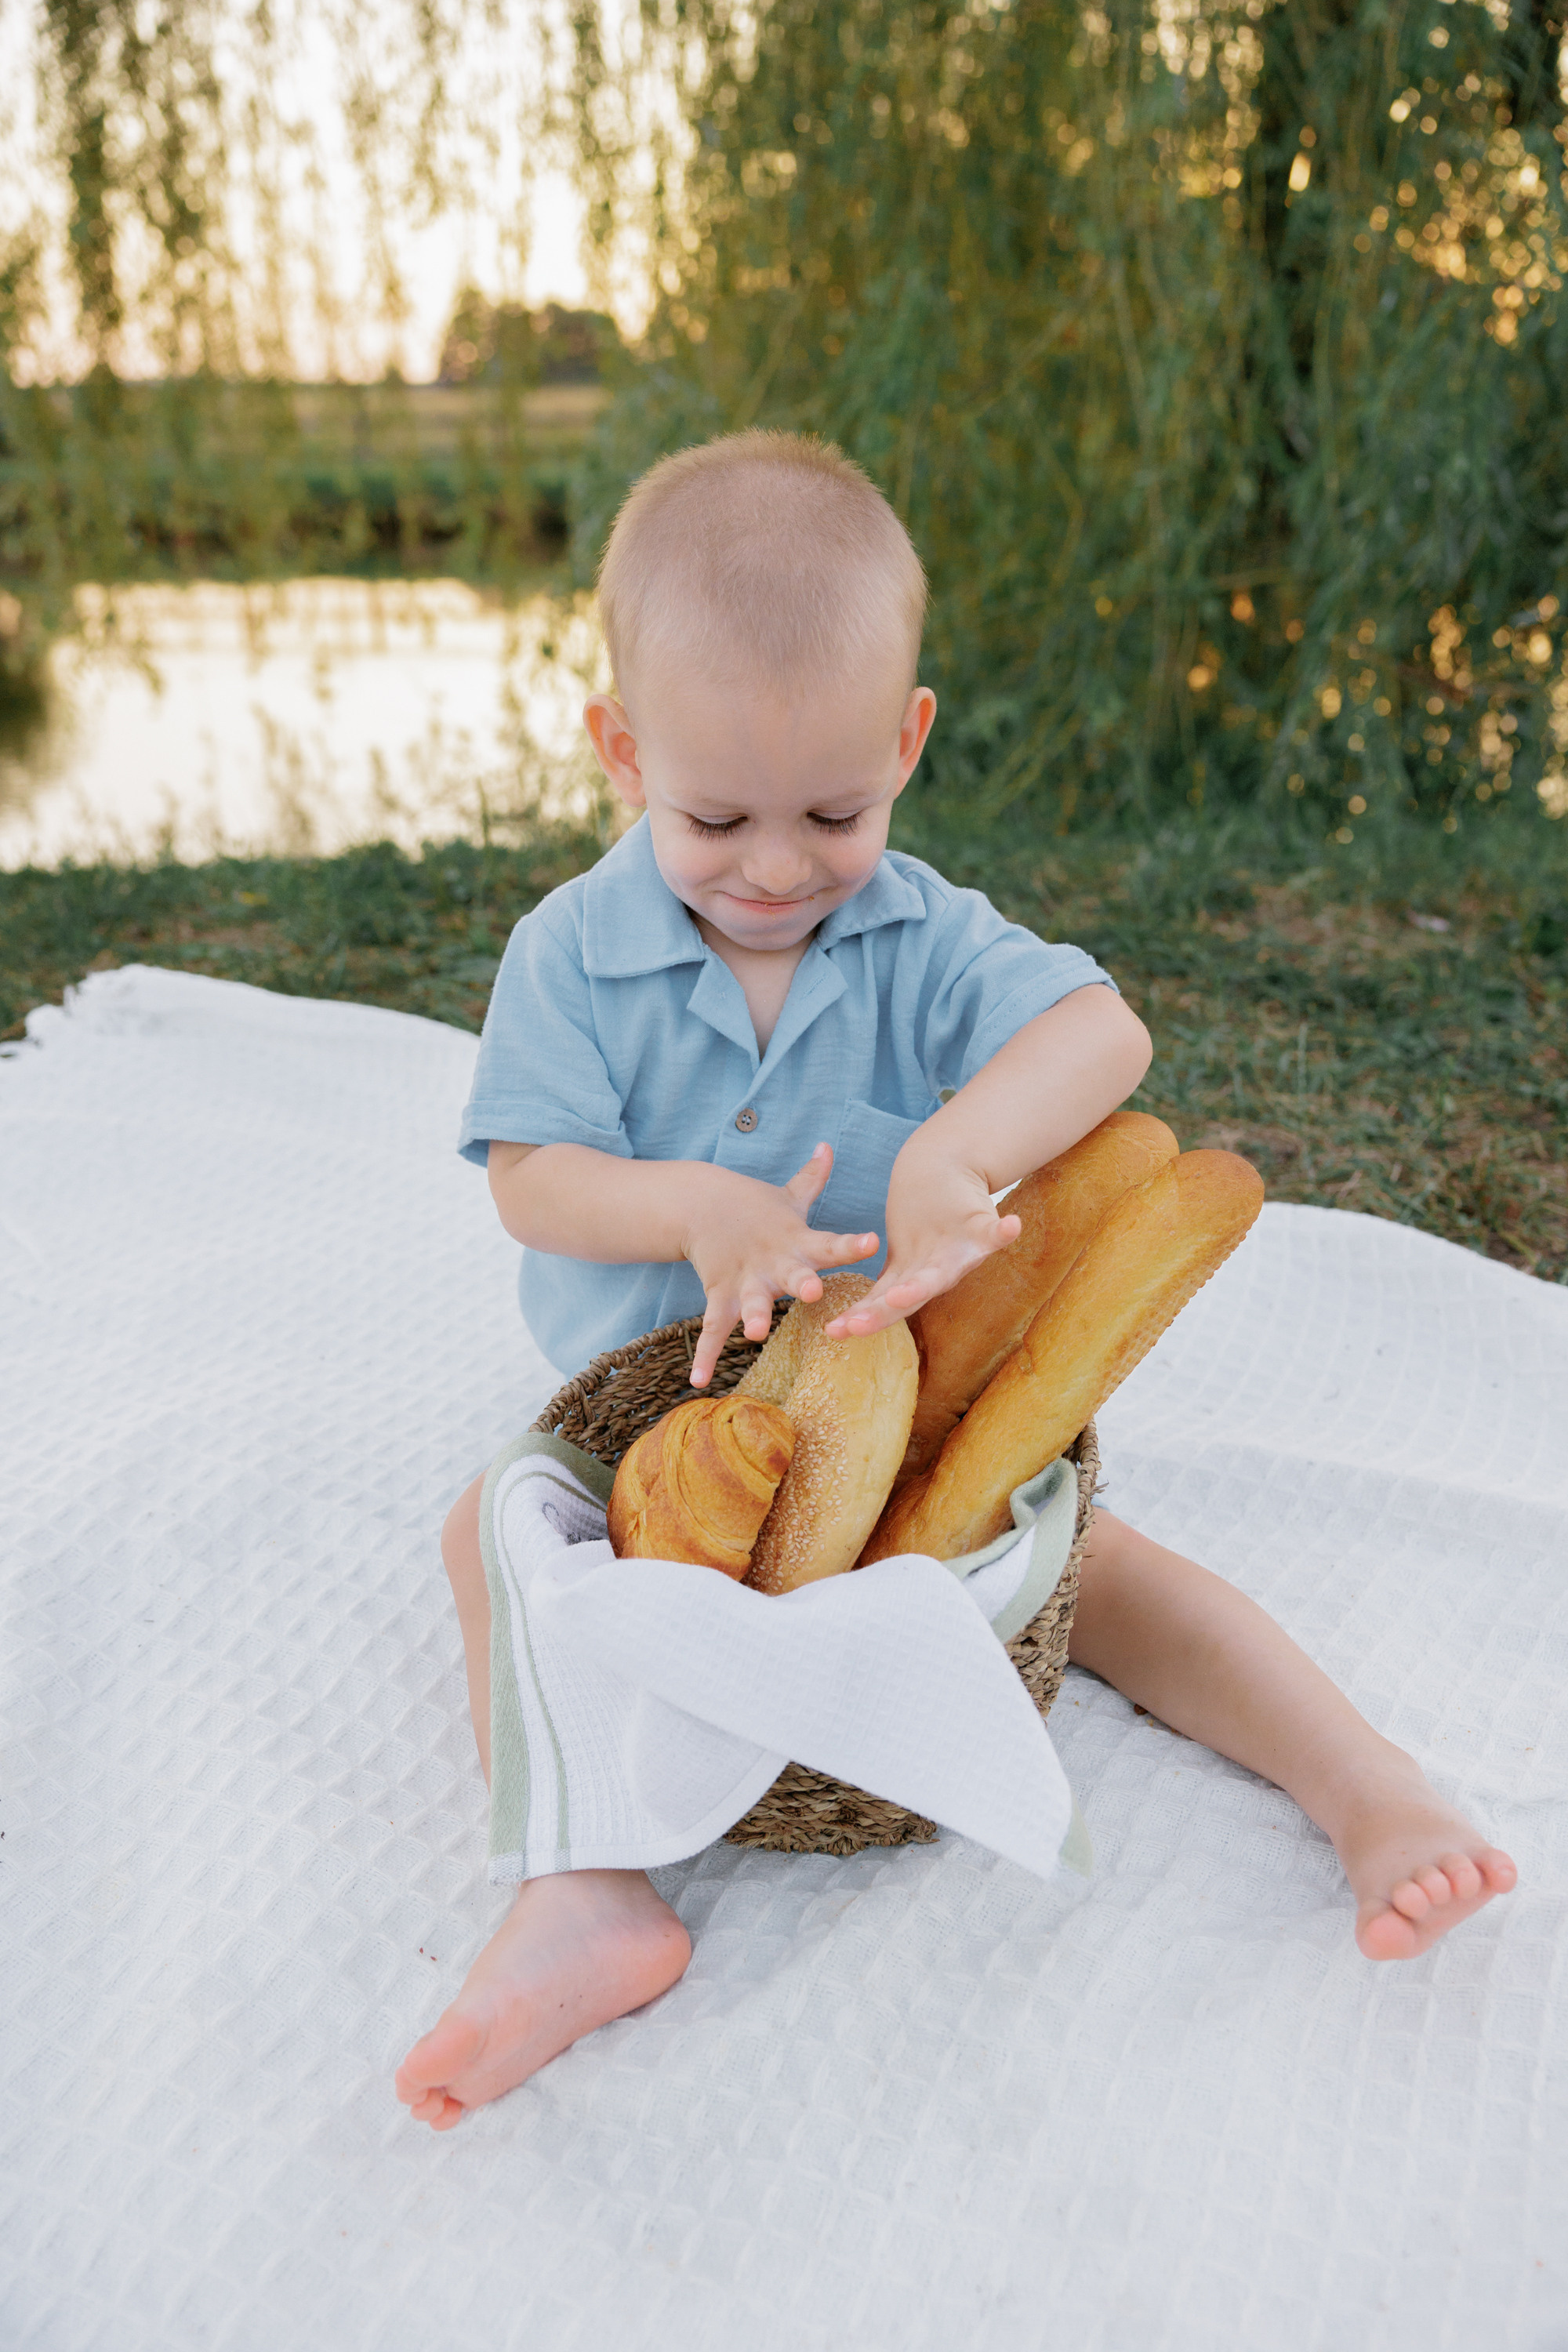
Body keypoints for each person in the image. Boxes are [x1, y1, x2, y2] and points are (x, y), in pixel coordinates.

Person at [395, 433, 1515, 2132]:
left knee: (1106, 1569)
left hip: (893, 1411)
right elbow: (534, 1185)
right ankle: (586, 1889)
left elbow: (1105, 1034)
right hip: (646, 1441)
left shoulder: (918, 934)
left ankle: (1366, 1788)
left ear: (905, 743)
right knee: (496, 1539)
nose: (774, 868)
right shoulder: (571, 951)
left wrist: (951, 1157)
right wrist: (698, 1206)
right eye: (713, 816)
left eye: (833, 812)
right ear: (621, 751)